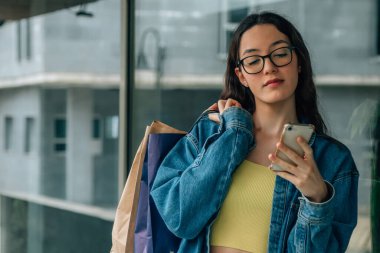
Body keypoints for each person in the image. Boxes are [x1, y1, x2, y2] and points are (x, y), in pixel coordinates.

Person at [150, 11, 359, 253]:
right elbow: (180, 219)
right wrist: (234, 134)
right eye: (253, 61)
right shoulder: (211, 133)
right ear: (241, 76)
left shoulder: (334, 161)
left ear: (298, 62)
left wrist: (316, 199)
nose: (269, 67)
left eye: (280, 54)